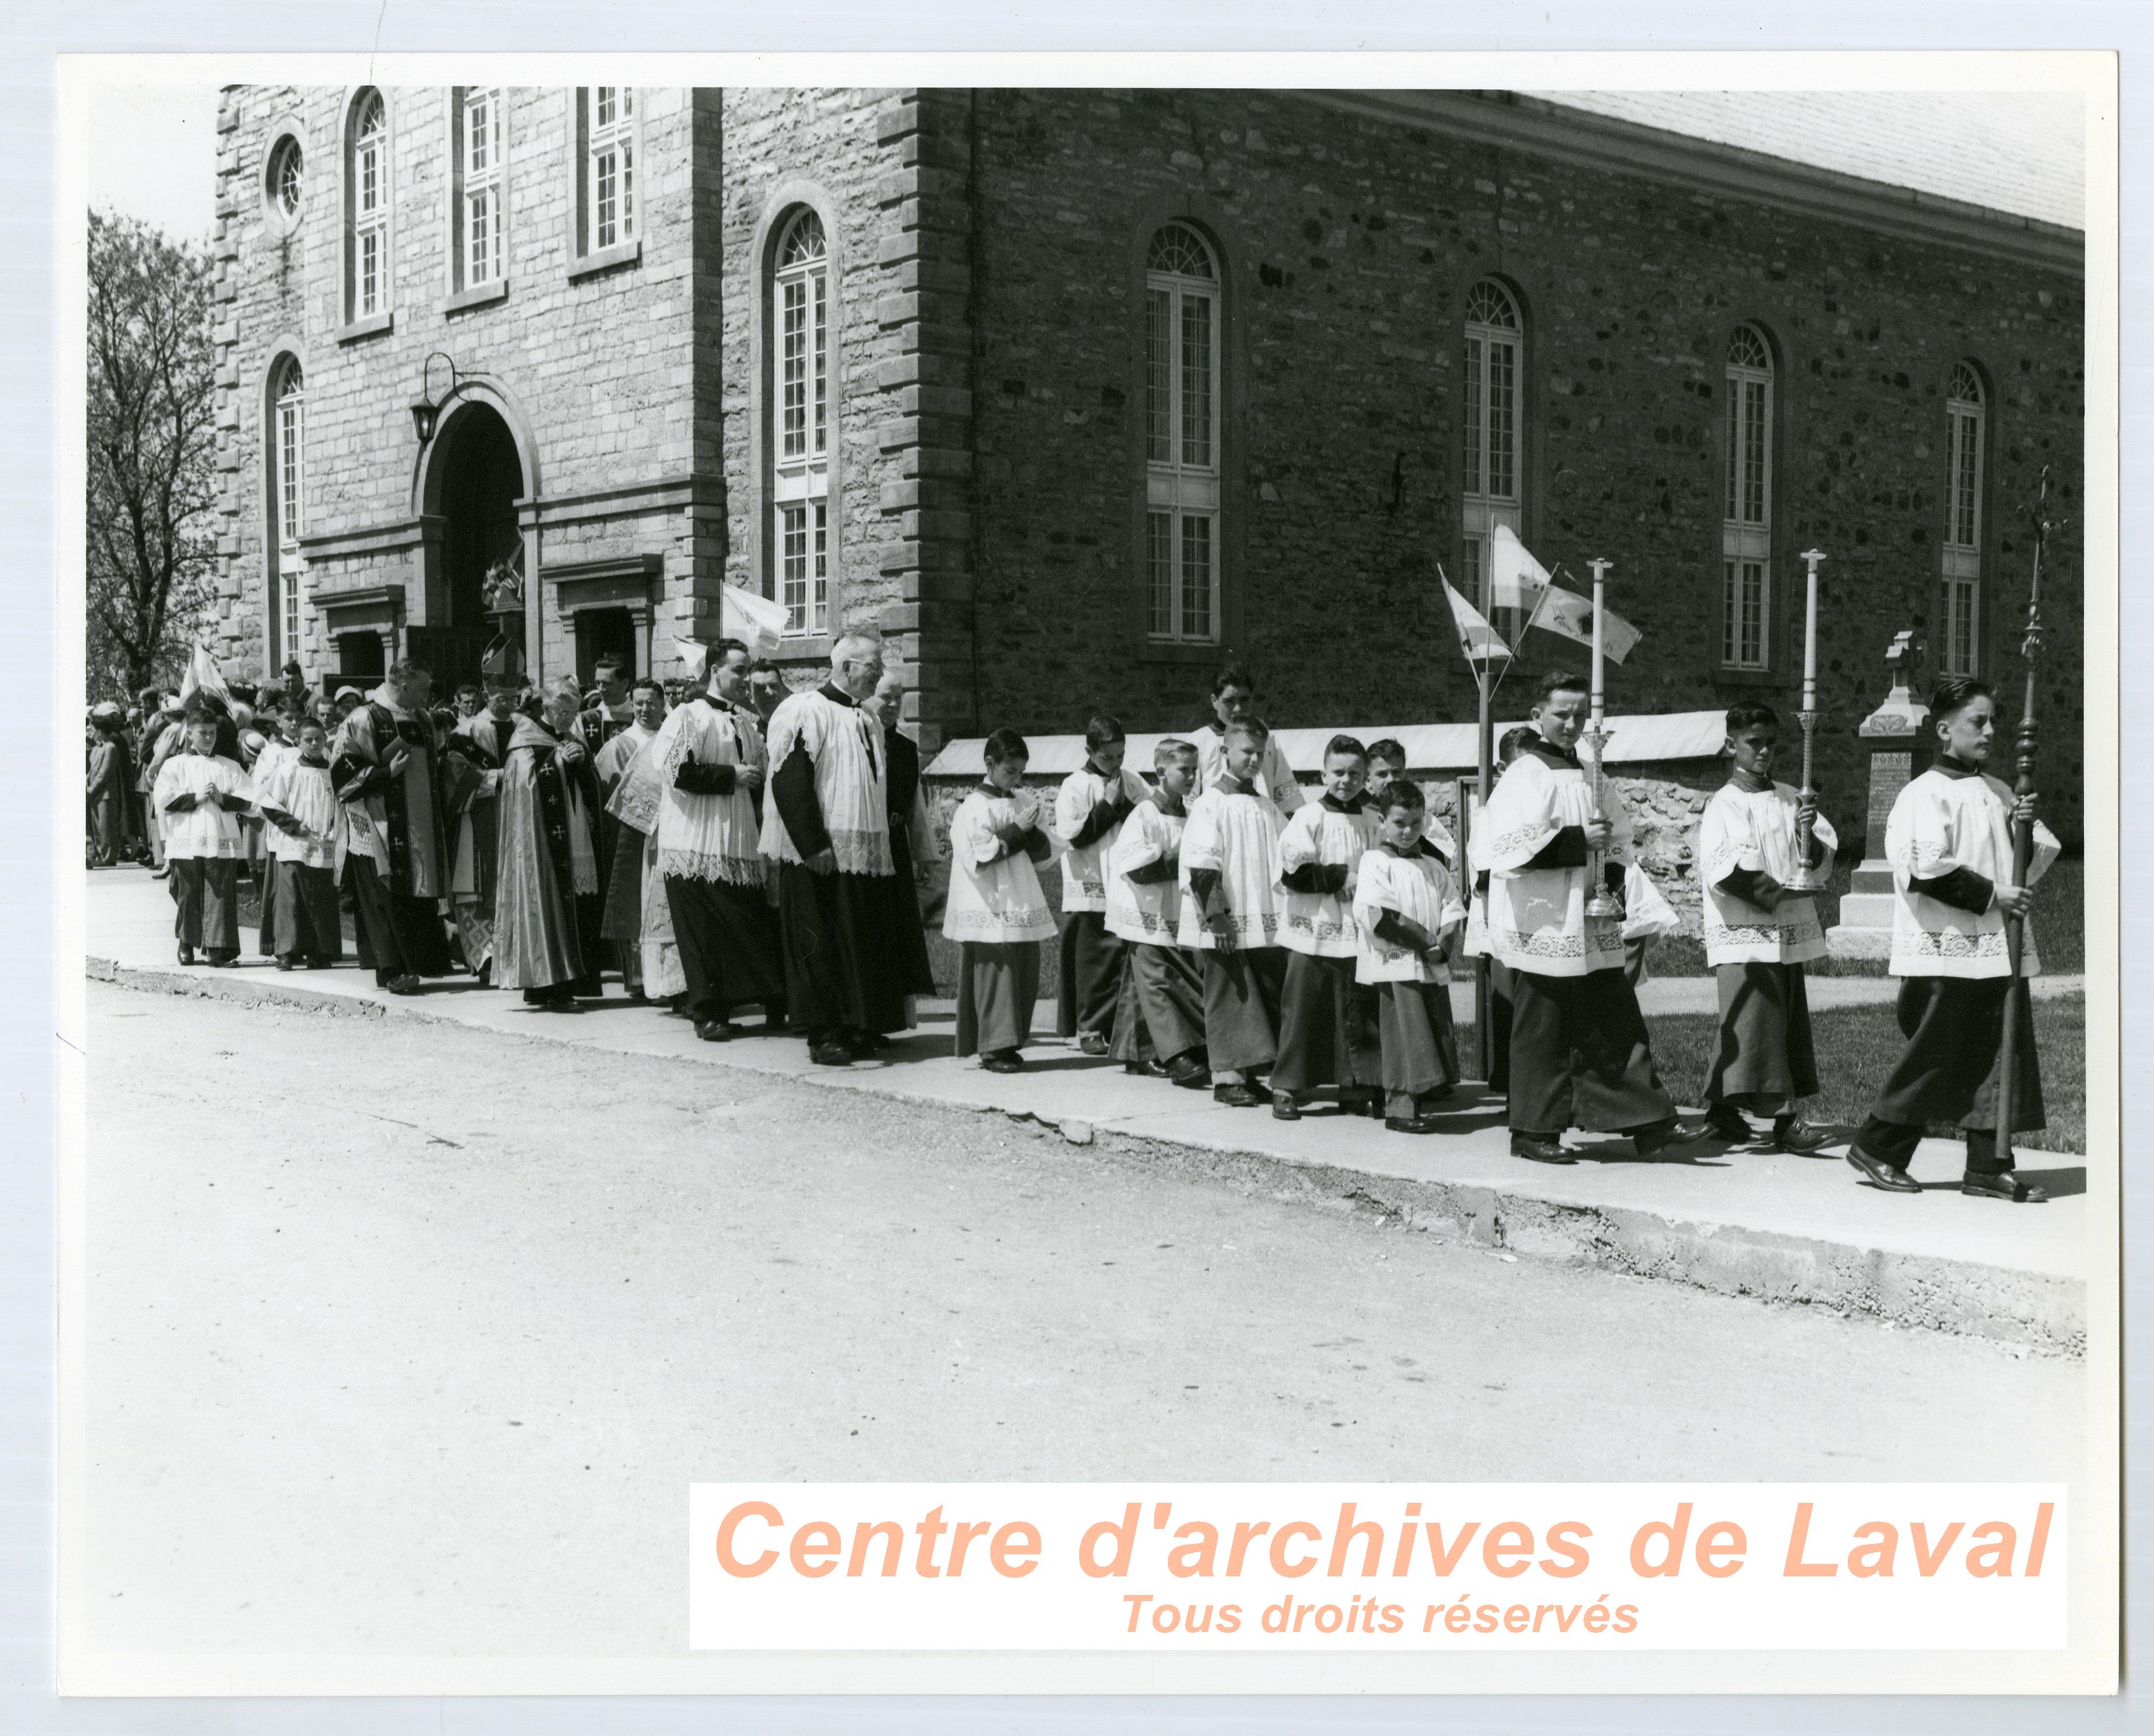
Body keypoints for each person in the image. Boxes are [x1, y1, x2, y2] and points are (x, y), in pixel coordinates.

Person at [1846, 675, 2062, 1202]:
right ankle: (1878, 1146)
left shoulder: (2000, 790)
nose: (1990, 731)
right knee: (1937, 1053)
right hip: (1945, 944)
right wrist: (1995, 896)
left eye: (1993, 721)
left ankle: (1988, 1165)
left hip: (1996, 944)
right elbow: (1925, 870)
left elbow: (2031, 860)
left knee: (1998, 1051)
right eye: (1978, 721)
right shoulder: (1924, 793)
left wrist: (2023, 828)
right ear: (1944, 729)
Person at [1476, 669, 1694, 1165]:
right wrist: (1580, 842)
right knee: (1544, 1025)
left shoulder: (1593, 771)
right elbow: (1509, 847)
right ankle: (1532, 1130)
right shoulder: (1524, 773)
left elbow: (1619, 833)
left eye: (1580, 714)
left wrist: (1612, 878)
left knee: (1614, 1015)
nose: (1572, 723)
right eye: (1562, 713)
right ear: (1537, 716)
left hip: (1591, 918)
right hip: (1546, 918)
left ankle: (1645, 1120)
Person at [1694, 702, 1838, 1153]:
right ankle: (1784, 1119)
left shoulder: (1792, 796)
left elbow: (1817, 859)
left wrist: (1808, 831)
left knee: (1773, 1022)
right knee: (1759, 1019)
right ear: (1730, 744)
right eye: (1754, 743)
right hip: (1747, 926)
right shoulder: (1724, 804)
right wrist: (1781, 895)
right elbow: (1726, 870)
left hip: (1785, 927)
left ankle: (1722, 1109)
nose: (1764, 752)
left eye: (1771, 743)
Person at [760, 632, 909, 1066]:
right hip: (820, 852)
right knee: (818, 944)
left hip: (861, 851)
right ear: (847, 667)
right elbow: (789, 779)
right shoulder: (805, 710)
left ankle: (855, 1024)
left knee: (855, 940)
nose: (879, 674)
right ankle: (823, 1033)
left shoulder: (866, 718)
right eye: (873, 667)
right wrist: (811, 844)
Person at [652, 641, 787, 1040]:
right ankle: (706, 1013)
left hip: (737, 841)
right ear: (714, 671)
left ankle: (757, 1002)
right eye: (739, 671)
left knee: (746, 925)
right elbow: (676, 770)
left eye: (748, 671)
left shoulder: (745, 722)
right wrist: (732, 776)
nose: (747, 680)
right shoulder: (686, 716)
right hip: (694, 842)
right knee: (703, 933)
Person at [1270, 734, 1384, 1121]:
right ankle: (1287, 1085)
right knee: (1303, 1008)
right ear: (1323, 773)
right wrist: (1340, 877)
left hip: (1357, 930)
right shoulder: (1309, 817)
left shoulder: (1374, 820)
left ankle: (1355, 1087)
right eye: (1338, 772)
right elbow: (1294, 874)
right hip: (1314, 929)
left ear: (1366, 775)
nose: (1347, 781)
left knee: (1356, 1007)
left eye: (1355, 773)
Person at [1180, 718, 1290, 1108]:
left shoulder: (1265, 805)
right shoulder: (1210, 804)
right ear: (1225, 752)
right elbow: (1201, 864)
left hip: (1261, 913)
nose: (1256, 759)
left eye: (1261, 753)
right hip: (1227, 916)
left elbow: (1286, 855)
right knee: (1229, 991)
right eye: (1247, 752)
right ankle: (1226, 1077)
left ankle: (1251, 1070)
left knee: (1257, 990)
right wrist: (1217, 914)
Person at [330, 658, 453, 994]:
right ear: (403, 686)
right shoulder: (363, 718)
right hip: (378, 827)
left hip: (420, 828)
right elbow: (342, 777)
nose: (429, 696)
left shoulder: (423, 719)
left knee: (413, 895)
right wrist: (386, 774)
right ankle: (392, 969)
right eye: (424, 689)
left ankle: (417, 962)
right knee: (384, 899)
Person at [1354, 779, 1467, 1133]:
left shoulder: (1432, 866)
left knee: (1429, 1028)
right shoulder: (1375, 862)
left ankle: (1424, 1092)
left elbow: (1452, 907)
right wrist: (1423, 942)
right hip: (1398, 963)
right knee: (1403, 1033)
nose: (1407, 831)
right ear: (1382, 822)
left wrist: (1444, 943)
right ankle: (1399, 1107)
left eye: (1415, 824)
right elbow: (1379, 916)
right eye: (1399, 823)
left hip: (1430, 962)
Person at [943, 728, 1056, 1073]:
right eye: (1010, 771)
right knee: (996, 972)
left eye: (1021, 772)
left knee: (1023, 969)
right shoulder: (972, 808)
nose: (1016, 779)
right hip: (988, 901)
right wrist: (1016, 832)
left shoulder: (1021, 801)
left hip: (1020, 897)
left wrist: (1032, 831)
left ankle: (1012, 1042)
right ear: (990, 764)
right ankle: (993, 1047)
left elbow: (1046, 853)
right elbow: (979, 856)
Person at [491, 679, 606, 1009]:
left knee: (577, 906)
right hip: (540, 842)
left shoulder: (571, 738)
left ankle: (572, 981)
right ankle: (550, 987)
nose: (569, 719)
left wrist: (581, 760)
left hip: (574, 830)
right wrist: (558, 763)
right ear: (547, 708)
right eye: (563, 712)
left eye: (574, 712)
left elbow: (590, 785)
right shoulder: (523, 743)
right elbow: (524, 790)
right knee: (546, 904)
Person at [1105, 738, 1210, 1087]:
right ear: (1161, 771)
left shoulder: (1192, 815)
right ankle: (1176, 1054)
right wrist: (1182, 861)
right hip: (1145, 912)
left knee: (1142, 983)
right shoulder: (1145, 814)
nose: (1191, 776)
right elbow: (1136, 867)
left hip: (1175, 911)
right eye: (1184, 769)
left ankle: (1138, 1053)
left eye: (1195, 769)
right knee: (1158, 980)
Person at [1054, 713, 1149, 1054]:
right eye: (1107, 757)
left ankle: (1115, 1025)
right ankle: (1089, 1027)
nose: (1115, 763)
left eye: (1121, 755)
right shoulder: (1074, 786)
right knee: (1094, 960)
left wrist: (1124, 803)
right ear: (1089, 750)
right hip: (1091, 880)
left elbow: (1147, 819)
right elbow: (1076, 838)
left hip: (1124, 878)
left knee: (1120, 959)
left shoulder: (1133, 781)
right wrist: (1109, 805)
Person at [862, 667, 940, 1012]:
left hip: (894, 846)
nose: (893, 705)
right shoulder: (857, 739)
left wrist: (924, 855)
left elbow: (915, 806)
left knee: (895, 935)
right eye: (885, 697)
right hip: (862, 847)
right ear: (867, 695)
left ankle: (890, 1015)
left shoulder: (907, 749)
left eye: (899, 698)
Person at [152, 704, 253, 965]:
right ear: (189, 734)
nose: (208, 738)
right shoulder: (175, 765)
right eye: (203, 733)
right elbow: (163, 799)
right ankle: (186, 942)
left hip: (220, 839)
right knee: (188, 892)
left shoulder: (229, 766)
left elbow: (250, 799)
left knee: (219, 892)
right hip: (187, 839)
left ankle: (217, 948)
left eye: (212, 733)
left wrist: (224, 799)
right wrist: (195, 798)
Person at [593, 676, 668, 998]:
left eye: (651, 702)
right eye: (638, 703)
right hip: (634, 835)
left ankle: (667, 979)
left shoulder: (672, 735)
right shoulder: (620, 744)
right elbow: (608, 795)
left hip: (670, 832)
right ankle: (638, 979)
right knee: (635, 901)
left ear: (662, 704)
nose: (644, 709)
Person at [441, 679, 519, 983]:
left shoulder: (526, 726)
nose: (508, 703)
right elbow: (454, 775)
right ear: (487, 696)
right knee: (477, 888)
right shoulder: (467, 732)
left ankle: (513, 958)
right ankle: (486, 960)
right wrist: (498, 777)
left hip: (517, 817)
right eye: (502, 697)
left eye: (513, 697)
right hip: (478, 819)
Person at [255, 716, 343, 969]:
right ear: (299, 741)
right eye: (308, 739)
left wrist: (333, 828)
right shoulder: (289, 769)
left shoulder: (333, 771)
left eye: (318, 739)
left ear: (326, 740)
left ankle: (319, 952)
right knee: (291, 898)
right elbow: (269, 803)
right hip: (293, 842)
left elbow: (339, 805)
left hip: (322, 843)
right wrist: (294, 825)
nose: (314, 744)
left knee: (320, 898)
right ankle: (287, 951)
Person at [1195, 665, 1305, 814]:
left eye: (1244, 700)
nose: (1238, 709)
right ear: (1215, 701)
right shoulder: (1199, 742)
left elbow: (1287, 805)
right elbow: (1189, 805)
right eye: (1229, 701)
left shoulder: (1267, 740)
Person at [247, 694, 301, 956]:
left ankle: (303, 943)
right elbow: (262, 792)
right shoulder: (271, 753)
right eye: (289, 719)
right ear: (278, 721)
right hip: (282, 825)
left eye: (298, 719)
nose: (294, 724)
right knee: (282, 889)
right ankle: (281, 944)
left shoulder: (311, 747)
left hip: (308, 827)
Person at [1365, 738, 1458, 864]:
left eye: (1396, 772)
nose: (1391, 780)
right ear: (1368, 779)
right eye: (1382, 774)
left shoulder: (1417, 813)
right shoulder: (1363, 813)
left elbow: (1440, 854)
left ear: (1405, 774)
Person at [85, 704, 133, 866]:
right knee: (97, 825)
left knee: (106, 827)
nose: (93, 733)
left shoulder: (111, 748)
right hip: (95, 793)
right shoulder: (98, 749)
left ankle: (109, 856)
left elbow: (104, 774)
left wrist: (91, 789)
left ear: (101, 731)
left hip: (106, 794)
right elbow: (92, 771)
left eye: (95, 730)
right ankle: (102, 854)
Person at [575, 654, 636, 755]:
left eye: (607, 683)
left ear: (625, 683)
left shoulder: (639, 717)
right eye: (598, 683)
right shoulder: (585, 720)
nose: (601, 689)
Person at [748, 661, 786, 731]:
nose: (770, 693)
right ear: (750, 696)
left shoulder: (804, 727)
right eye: (760, 689)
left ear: (783, 689)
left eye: (774, 686)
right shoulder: (750, 736)